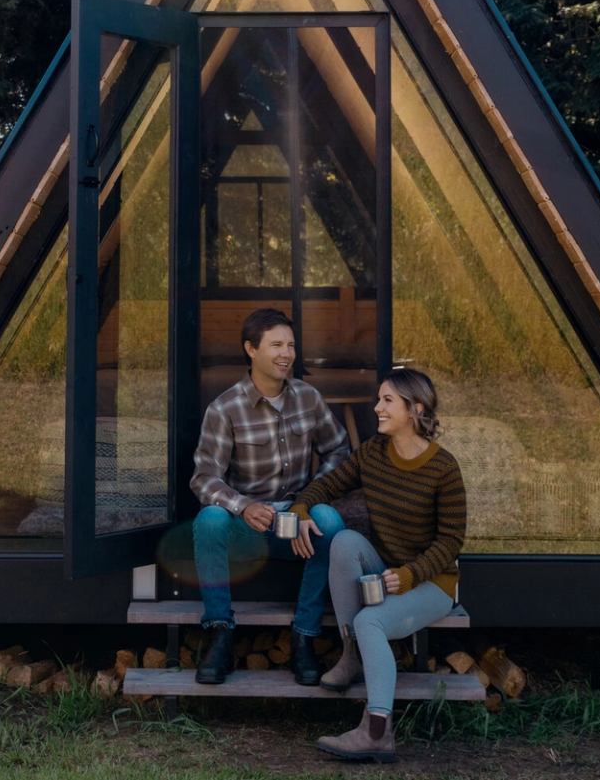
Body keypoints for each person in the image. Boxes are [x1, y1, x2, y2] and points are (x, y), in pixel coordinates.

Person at [288, 366, 466, 764]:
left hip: (433, 583)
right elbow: (328, 486)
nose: (377, 407)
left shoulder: (444, 468)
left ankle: (376, 732)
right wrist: (301, 507)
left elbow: (451, 541)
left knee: (372, 621)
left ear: (415, 408)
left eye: (387, 400)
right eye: (379, 399)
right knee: (345, 541)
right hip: (389, 568)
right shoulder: (373, 453)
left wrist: (409, 575)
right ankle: (352, 653)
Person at [188, 307, 352, 686]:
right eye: (276, 345)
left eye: (291, 345)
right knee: (208, 520)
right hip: (246, 527)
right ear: (251, 349)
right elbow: (203, 478)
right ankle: (220, 633)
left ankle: (304, 637)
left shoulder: (308, 398)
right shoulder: (225, 408)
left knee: (331, 522)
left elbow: (339, 452)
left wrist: (309, 499)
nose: (286, 354)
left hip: (297, 523)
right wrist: (242, 506)